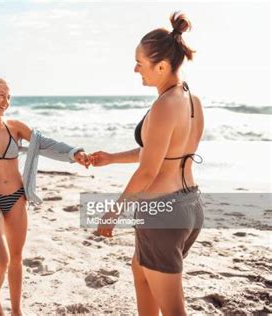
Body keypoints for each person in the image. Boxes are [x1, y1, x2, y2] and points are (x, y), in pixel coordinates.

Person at [89, 12, 204, 316]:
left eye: (140, 63)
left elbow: (149, 171)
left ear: (162, 66)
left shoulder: (164, 105)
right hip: (189, 205)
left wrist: (114, 211)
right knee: (140, 272)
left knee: (173, 309)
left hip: (162, 213)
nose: (136, 69)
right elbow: (165, 153)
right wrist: (113, 158)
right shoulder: (191, 99)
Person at [0, 76, 90, 316]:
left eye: (8, 96)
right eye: (0, 94)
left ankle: (17, 310)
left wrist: (74, 153)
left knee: (17, 258)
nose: (6, 100)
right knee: (1, 261)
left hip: (17, 198)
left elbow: (45, 144)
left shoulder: (15, 127)